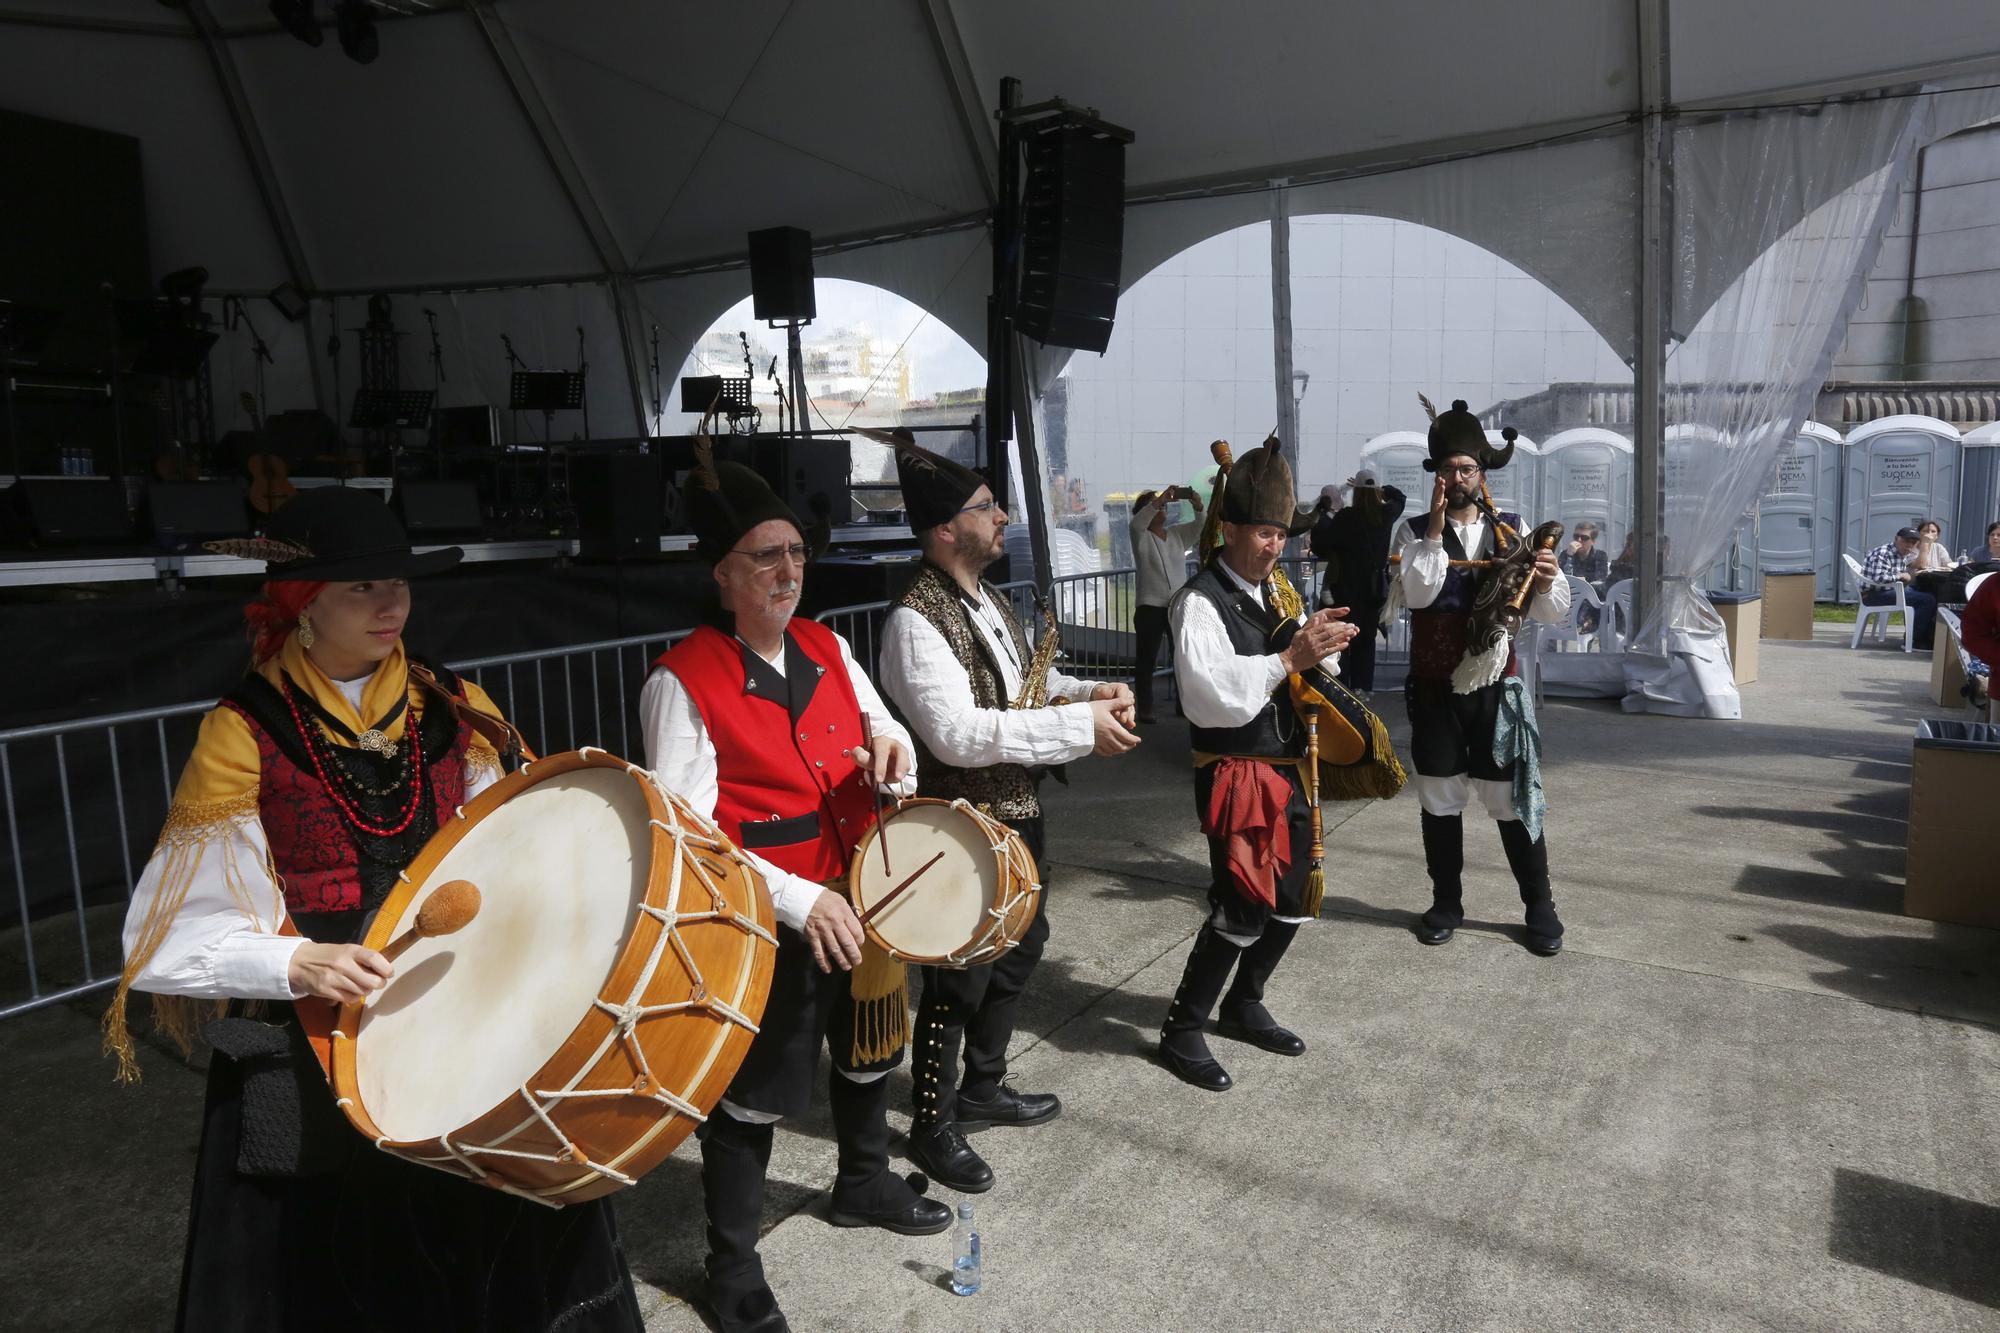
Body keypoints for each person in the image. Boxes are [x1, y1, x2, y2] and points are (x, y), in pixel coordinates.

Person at [103, 487, 644, 1333]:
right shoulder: (244, 732)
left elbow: (528, 852)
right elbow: (168, 937)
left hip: (457, 1029)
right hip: (314, 1046)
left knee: (491, 1254)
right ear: (302, 604)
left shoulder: (458, 709)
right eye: (362, 588)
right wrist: (294, 962)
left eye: (398, 582)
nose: (392, 603)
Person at [641, 447, 949, 1333]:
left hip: (859, 889)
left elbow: (880, 718)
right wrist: (798, 899)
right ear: (722, 576)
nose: (788, 571)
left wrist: (894, 747)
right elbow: (690, 835)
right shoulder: (682, 680)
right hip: (767, 917)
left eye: (796, 554)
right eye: (765, 557)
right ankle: (730, 1267)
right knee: (756, 1090)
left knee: (866, 1047)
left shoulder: (826, 643)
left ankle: (861, 1180)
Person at [875, 429, 1139, 1193]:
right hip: (959, 825)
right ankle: (931, 1121)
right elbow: (957, 735)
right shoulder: (913, 619)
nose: (1002, 515)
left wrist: (1086, 694)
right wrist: (1076, 729)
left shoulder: (986, 597)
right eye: (986, 506)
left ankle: (984, 1086)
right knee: (959, 973)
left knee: (1022, 945)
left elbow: (1027, 681)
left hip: (1016, 809)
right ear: (944, 529)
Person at [1157, 437, 1357, 1093]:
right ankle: (1183, 1028)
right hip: (1235, 772)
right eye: (1265, 532)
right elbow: (1207, 696)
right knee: (1242, 905)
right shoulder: (1197, 602)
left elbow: (1309, 670)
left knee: (1296, 896)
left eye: (1281, 533)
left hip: (1292, 766)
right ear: (1231, 529)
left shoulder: (1280, 593)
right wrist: (1289, 659)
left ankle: (1244, 1000)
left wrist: (1319, 643)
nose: (1276, 545)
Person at [1397, 399, 1572, 957]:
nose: (1456, 479)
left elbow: (1552, 612)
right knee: (1440, 796)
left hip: (1496, 689)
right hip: (1434, 687)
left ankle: (1539, 906)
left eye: (1466, 469)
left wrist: (1542, 581)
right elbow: (1420, 595)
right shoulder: (1409, 533)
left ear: (1482, 471)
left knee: (1512, 800)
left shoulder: (1516, 531)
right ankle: (1446, 901)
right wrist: (1430, 530)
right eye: (1447, 470)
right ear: (1435, 476)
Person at [1308, 468, 1407, 692]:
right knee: (1367, 640)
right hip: (1374, 590)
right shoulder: (1387, 513)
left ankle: (1343, 687)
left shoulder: (1347, 517)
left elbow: (1324, 542)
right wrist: (1382, 490)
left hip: (1346, 589)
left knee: (1343, 639)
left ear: (1356, 492)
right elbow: (1400, 498)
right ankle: (1365, 688)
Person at [1129, 483, 1206, 723]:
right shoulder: (1140, 534)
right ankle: (1145, 707)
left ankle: (1184, 705)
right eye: (1158, 504)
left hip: (1176, 606)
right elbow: (1137, 522)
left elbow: (1200, 527)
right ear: (1148, 510)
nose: (1164, 507)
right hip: (1149, 606)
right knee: (1147, 660)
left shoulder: (1175, 535)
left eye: (1164, 504)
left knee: (1182, 657)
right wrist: (1159, 499)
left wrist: (1198, 506)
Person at [1860, 526, 1935, 650]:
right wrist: (1900, 575)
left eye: (1913, 543)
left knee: (1926, 593)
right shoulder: (1883, 553)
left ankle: (1921, 636)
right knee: (1927, 600)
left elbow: (1921, 564)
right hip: (1873, 595)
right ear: (1896, 539)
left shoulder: (1901, 553)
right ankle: (1916, 641)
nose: (1909, 546)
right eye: (1906, 541)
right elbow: (1879, 578)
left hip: (1887, 590)